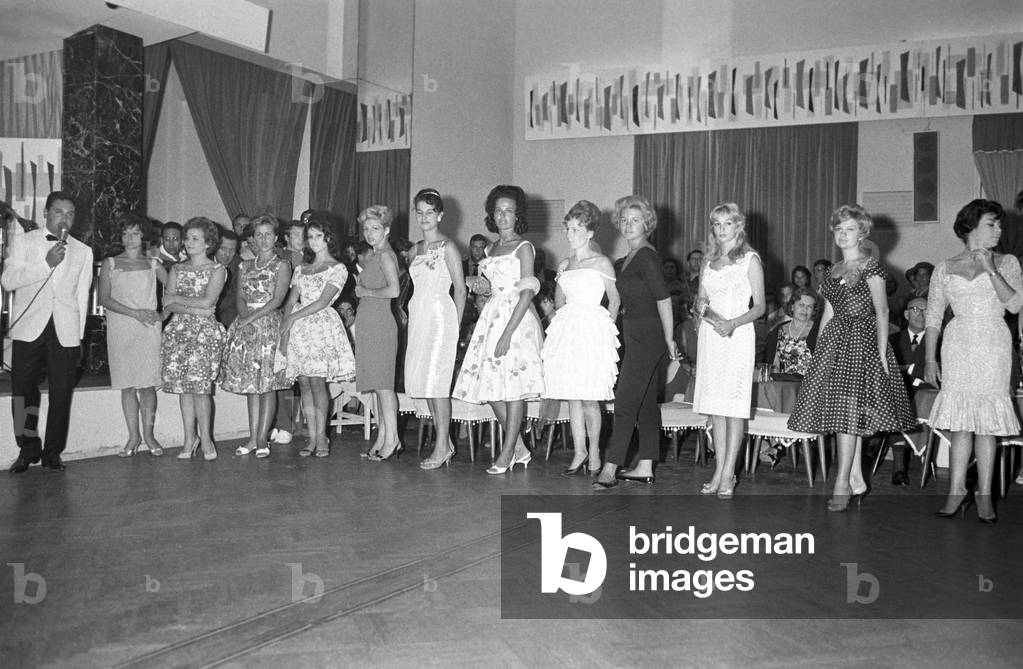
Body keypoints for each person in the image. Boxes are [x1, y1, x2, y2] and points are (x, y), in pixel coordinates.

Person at [788, 204, 916, 511]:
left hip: (862, 342)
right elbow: (829, 313)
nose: (844, 235)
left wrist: (884, 355)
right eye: (839, 229)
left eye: (850, 229)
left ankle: (842, 483)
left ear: (863, 233)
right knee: (847, 414)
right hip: (835, 341)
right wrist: (817, 351)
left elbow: (882, 311)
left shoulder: (871, 267)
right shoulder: (833, 270)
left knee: (847, 415)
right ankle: (856, 477)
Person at [925, 199, 1023, 524]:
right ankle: (956, 492)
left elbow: (1014, 306)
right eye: (991, 224)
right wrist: (929, 359)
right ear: (971, 227)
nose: (998, 230)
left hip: (993, 343)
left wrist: (991, 267)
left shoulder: (1008, 262)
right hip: (957, 344)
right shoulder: (944, 266)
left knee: (987, 425)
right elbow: (934, 315)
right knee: (961, 423)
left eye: (999, 225)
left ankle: (984, 494)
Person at [453, 184, 544, 474]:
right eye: (498, 211)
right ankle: (519, 447)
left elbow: (527, 292)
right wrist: (482, 286)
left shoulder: (524, 247)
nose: (503, 216)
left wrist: (507, 333)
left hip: (516, 320)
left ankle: (506, 453)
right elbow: (493, 287)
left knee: (512, 391)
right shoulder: (490, 248)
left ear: (517, 215)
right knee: (492, 390)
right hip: (491, 316)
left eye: (509, 211)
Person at [4, 191, 94, 473]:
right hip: (29, 327)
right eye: (58, 212)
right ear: (46, 213)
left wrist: (77, 336)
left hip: (64, 329)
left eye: (69, 213)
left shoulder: (83, 251)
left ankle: (53, 452)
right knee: (23, 392)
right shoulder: (24, 241)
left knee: (61, 392)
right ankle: (27, 448)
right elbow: (8, 281)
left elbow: (82, 296)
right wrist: (46, 264)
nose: (64, 218)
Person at [594, 196, 678, 489]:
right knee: (644, 404)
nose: (628, 225)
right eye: (625, 220)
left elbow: (664, 298)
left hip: (648, 335)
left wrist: (669, 338)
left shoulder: (646, 256)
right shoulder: (627, 258)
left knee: (626, 400)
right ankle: (645, 465)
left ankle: (611, 466)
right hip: (636, 331)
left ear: (647, 224)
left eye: (636, 220)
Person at [541, 200, 620, 476]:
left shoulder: (601, 263)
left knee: (590, 397)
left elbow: (615, 301)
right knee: (572, 396)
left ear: (589, 232)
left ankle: (596, 450)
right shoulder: (565, 265)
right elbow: (560, 300)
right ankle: (579, 451)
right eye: (569, 228)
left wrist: (603, 332)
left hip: (593, 331)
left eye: (577, 228)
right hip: (570, 330)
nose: (571, 233)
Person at [692, 203, 766, 498]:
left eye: (728, 223)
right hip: (711, 337)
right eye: (717, 224)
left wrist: (732, 323)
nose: (722, 229)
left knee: (733, 408)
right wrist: (701, 317)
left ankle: (729, 474)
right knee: (716, 410)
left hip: (737, 336)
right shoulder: (708, 262)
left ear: (739, 226)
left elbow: (760, 306)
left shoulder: (750, 260)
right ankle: (718, 469)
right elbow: (701, 299)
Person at [281, 218, 356, 458]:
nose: (313, 241)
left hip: (320, 327)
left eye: (318, 236)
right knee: (303, 382)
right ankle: (311, 436)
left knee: (317, 383)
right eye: (310, 237)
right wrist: (286, 323)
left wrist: (294, 317)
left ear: (328, 239)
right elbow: (292, 299)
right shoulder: (301, 268)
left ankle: (322, 435)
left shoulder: (338, 268)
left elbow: (323, 301)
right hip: (300, 330)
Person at [219, 215, 292, 458]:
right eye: (258, 234)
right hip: (246, 326)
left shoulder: (282, 265)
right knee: (252, 386)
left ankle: (263, 438)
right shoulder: (244, 266)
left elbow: (278, 299)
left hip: (269, 326)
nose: (263, 239)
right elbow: (239, 296)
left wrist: (252, 318)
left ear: (276, 238)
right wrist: (244, 319)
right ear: (252, 239)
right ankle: (252, 438)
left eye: (268, 234)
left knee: (267, 385)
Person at [405, 189, 467, 469]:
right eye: (420, 211)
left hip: (442, 319)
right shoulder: (415, 249)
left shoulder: (448, 247)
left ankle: (442, 446)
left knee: (437, 384)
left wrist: (455, 325)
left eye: (430, 211)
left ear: (440, 215)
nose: (424, 217)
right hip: (419, 317)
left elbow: (461, 290)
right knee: (427, 385)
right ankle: (446, 442)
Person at [98, 213, 167, 458]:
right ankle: (133, 436)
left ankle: (148, 435)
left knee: (147, 386)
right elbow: (104, 299)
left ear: (144, 235)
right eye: (126, 233)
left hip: (147, 329)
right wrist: (134, 312)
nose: (130, 238)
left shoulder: (153, 263)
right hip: (121, 328)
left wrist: (163, 314)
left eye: (135, 233)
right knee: (127, 386)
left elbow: (174, 290)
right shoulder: (110, 263)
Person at [161, 217, 228, 462]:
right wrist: (195, 308)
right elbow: (166, 301)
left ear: (208, 242)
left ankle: (206, 437)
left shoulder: (218, 270)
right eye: (187, 237)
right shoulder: (177, 269)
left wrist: (182, 302)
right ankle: (189, 438)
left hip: (203, 336)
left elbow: (208, 302)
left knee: (201, 390)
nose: (188, 242)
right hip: (178, 333)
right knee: (184, 390)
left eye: (195, 238)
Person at [354, 205, 402, 461]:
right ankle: (383, 437)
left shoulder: (385, 255)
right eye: (366, 229)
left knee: (384, 387)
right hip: (369, 323)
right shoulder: (375, 255)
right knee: (377, 386)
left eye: (375, 228)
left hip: (381, 324)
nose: (370, 234)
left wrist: (366, 292)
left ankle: (392, 439)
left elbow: (394, 291)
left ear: (386, 230)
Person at [887, 295, 935, 485]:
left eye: (926, 310)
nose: (921, 314)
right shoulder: (892, 340)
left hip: (927, 398)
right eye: (916, 309)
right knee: (895, 402)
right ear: (906, 314)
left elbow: (939, 370)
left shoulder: (938, 342)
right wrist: (916, 374)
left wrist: (910, 370)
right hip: (898, 395)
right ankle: (899, 469)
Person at [763, 286, 819, 376]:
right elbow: (772, 365)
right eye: (801, 305)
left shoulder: (819, 331)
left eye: (809, 307)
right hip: (783, 386)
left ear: (813, 311)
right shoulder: (778, 331)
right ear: (792, 306)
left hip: (809, 385)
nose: (805, 310)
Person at [215, 228, 241, 329]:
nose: (227, 254)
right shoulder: (203, 260)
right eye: (223, 248)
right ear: (215, 247)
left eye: (231, 250)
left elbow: (231, 302)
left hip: (226, 318)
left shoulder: (240, 266)